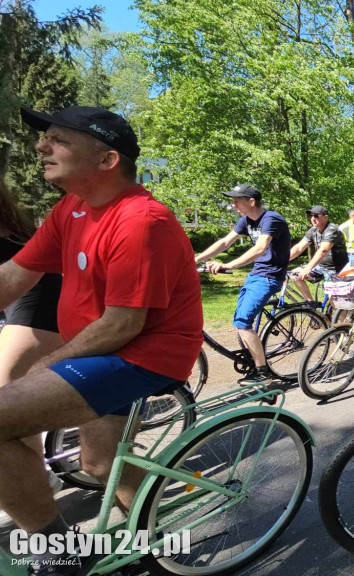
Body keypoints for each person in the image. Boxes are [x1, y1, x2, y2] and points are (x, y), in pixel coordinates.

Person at [0, 106, 202, 571]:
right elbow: (13, 276)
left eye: (59, 140)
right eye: (43, 138)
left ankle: (57, 556)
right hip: (104, 351)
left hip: (142, 356)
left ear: (108, 160)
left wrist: (44, 366)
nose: (40, 147)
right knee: (99, 464)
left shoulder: (141, 221)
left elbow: (122, 326)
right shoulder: (70, 209)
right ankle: (154, 547)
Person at [0, 180, 65, 529]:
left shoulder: (8, 231)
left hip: (35, 302)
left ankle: (36, 483)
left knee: (6, 394)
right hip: (11, 301)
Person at [194, 184, 291, 384]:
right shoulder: (246, 221)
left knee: (243, 323)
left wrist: (228, 265)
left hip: (270, 276)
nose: (234, 205)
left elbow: (260, 248)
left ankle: (263, 372)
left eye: (237, 201)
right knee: (239, 321)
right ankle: (254, 357)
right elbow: (224, 243)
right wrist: (195, 259)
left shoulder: (271, 219)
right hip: (256, 274)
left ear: (251, 202)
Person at [287, 205, 347, 302]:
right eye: (310, 216)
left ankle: (340, 317)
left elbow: (323, 250)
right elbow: (299, 247)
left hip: (337, 270)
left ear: (325, 217)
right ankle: (312, 306)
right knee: (295, 275)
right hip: (321, 267)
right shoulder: (313, 230)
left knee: (335, 303)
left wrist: (308, 268)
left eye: (316, 216)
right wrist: (282, 260)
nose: (312, 218)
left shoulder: (332, 229)